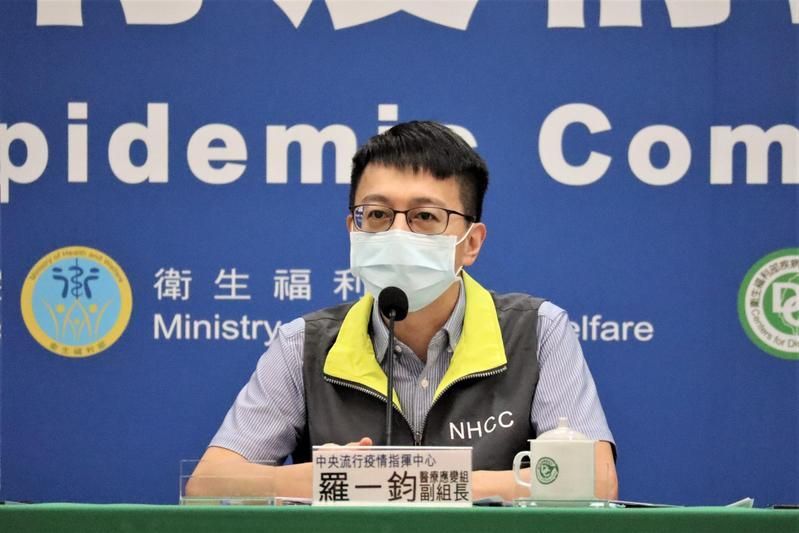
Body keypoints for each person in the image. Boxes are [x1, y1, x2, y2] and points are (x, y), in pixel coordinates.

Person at [190, 121, 618, 501]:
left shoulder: (537, 332)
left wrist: (400, 483)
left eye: (424, 216)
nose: (396, 232)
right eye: (377, 214)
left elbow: (595, 481)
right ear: (353, 230)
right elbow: (207, 484)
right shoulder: (304, 345)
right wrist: (321, 479)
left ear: (471, 243)